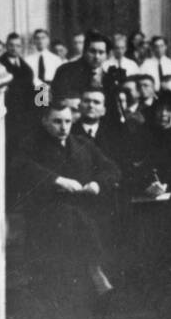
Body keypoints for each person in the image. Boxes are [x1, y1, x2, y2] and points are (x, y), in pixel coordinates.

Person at [10, 99, 121, 298]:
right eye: (57, 121)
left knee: (88, 219)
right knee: (71, 218)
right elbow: (20, 167)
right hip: (48, 214)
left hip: (84, 210)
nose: (63, 127)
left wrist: (97, 184)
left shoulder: (83, 144)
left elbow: (112, 169)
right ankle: (95, 270)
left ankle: (96, 277)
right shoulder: (32, 145)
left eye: (67, 122)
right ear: (45, 121)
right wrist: (56, 180)